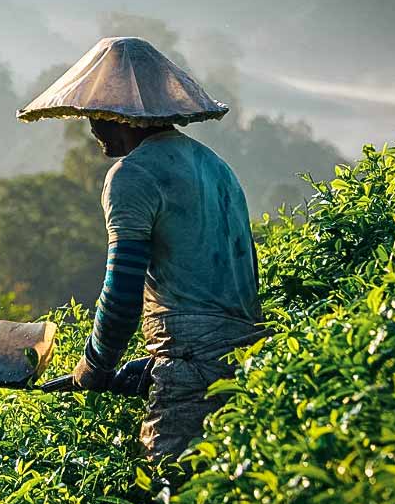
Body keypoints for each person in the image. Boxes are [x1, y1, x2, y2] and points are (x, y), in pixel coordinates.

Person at [18, 36, 265, 463]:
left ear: (128, 117)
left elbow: (123, 291)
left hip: (191, 367)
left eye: (101, 114)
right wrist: (145, 366)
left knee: (170, 495)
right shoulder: (216, 167)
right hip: (248, 357)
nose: (93, 128)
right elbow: (211, 291)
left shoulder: (131, 175)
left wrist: (93, 368)